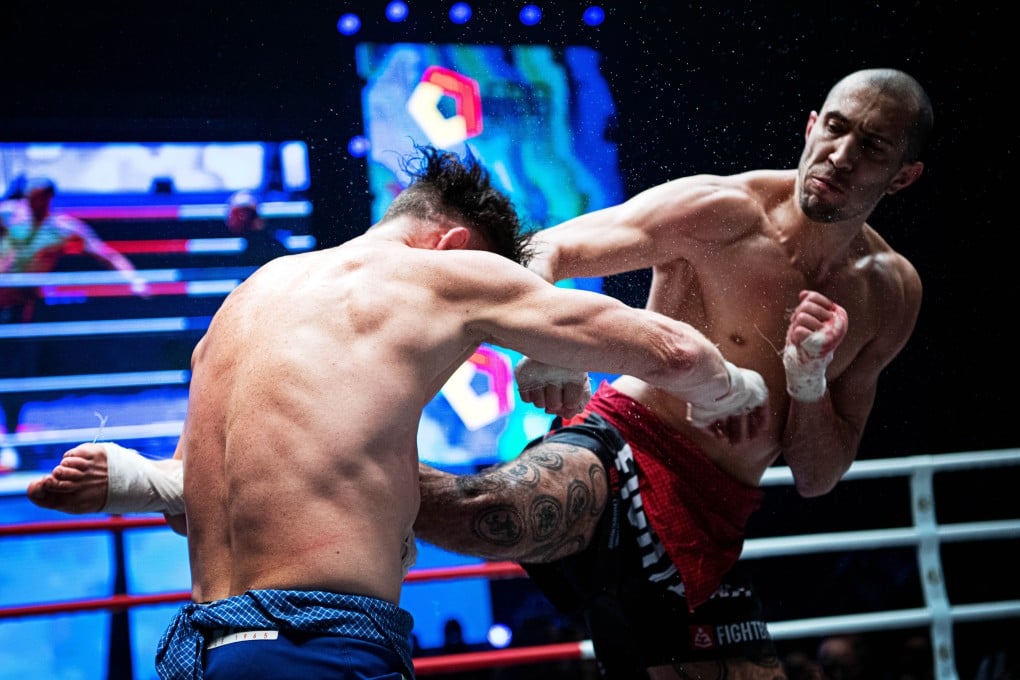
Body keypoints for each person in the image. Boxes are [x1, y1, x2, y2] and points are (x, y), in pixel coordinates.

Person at [28, 144, 769, 680]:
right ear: (451, 243)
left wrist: (139, 479)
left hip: (205, 647)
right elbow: (669, 351)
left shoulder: (250, 296)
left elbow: (210, 491)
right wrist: (735, 390)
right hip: (319, 646)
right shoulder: (437, 274)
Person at [412, 67, 932, 678]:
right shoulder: (721, 211)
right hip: (626, 449)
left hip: (715, 523)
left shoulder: (888, 293)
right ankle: (333, 457)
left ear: (903, 175)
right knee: (488, 514)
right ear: (812, 126)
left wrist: (808, 381)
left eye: (871, 146)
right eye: (836, 128)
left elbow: (818, 476)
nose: (841, 156)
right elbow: (547, 248)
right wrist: (551, 340)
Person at [0, 177, 146, 323]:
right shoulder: (8, 214)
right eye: (29, 198)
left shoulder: (62, 228)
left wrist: (133, 279)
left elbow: (106, 255)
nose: (31, 204)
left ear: (48, 198)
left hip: (23, 299)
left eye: (37, 198)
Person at [224, 190, 290, 265]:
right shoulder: (227, 246)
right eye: (240, 215)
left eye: (248, 214)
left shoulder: (270, 246)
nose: (243, 218)